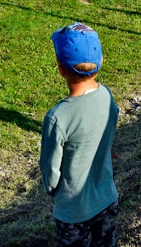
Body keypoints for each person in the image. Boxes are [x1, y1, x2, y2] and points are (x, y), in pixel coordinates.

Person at [40, 23, 119, 247]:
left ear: (60, 69)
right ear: (101, 61)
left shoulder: (58, 117)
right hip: (106, 198)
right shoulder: (106, 96)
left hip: (74, 211)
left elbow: (50, 170)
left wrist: (52, 188)